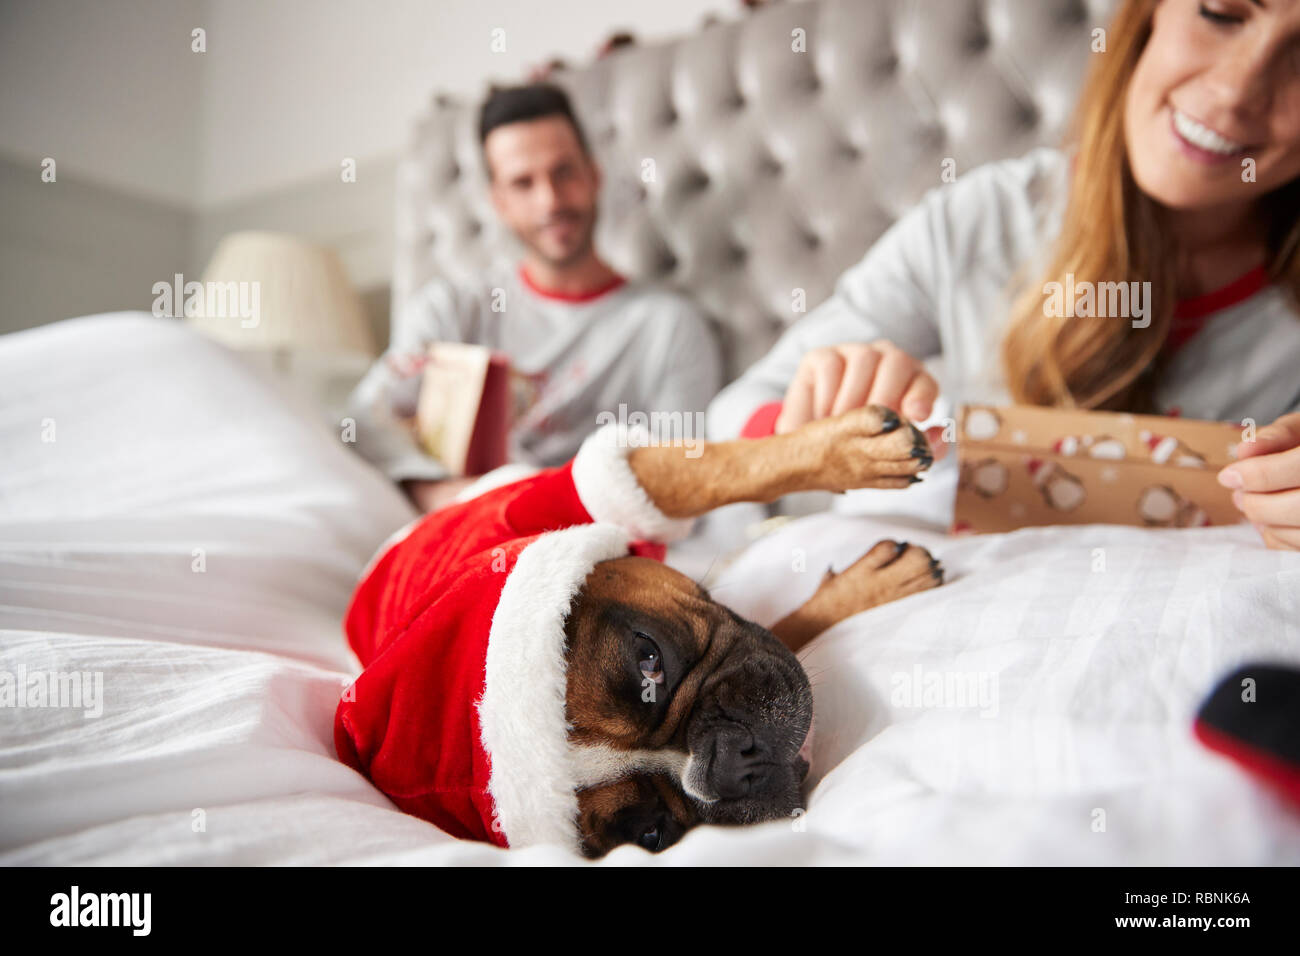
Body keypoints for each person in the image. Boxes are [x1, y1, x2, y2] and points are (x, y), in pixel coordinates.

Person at [708, 0, 1300, 549]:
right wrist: (813, 426)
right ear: (1149, 15)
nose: (1235, 91)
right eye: (1221, 12)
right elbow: (736, 416)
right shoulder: (982, 220)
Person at [350, 83, 721, 512]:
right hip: (469, 531)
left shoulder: (668, 326)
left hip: (603, 541)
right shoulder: (450, 311)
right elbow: (363, 420)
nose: (550, 200)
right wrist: (436, 493)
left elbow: (681, 477)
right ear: (500, 202)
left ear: (593, 175)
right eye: (523, 183)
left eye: (563, 172)